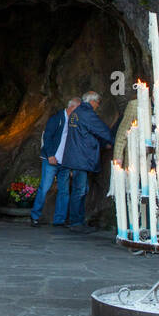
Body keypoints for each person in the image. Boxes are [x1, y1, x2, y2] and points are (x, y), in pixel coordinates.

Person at [60, 91, 114, 232]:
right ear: (92, 101)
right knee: (80, 190)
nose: (98, 106)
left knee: (80, 189)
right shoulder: (87, 114)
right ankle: (76, 222)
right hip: (81, 158)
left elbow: (85, 134)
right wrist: (113, 140)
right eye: (98, 103)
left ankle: (76, 220)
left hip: (75, 157)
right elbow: (101, 130)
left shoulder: (77, 112)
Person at [31, 97, 80, 227]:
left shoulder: (74, 122)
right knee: (45, 187)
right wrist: (51, 155)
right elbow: (47, 136)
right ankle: (35, 216)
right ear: (72, 107)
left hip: (64, 162)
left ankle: (59, 220)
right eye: (78, 109)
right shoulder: (56, 118)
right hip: (51, 159)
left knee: (64, 191)